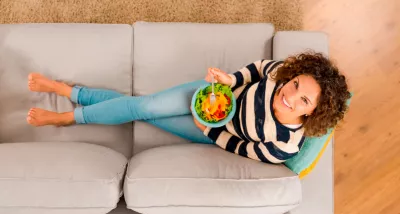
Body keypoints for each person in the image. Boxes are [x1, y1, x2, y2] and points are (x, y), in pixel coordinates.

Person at [26, 52, 351, 164]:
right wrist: (230, 78)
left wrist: (209, 130)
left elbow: (242, 148)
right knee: (144, 105)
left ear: (312, 113)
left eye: (303, 100)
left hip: (213, 130)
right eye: (295, 85)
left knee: (142, 110)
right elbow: (261, 67)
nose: (290, 95)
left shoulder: (285, 144)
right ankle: (67, 109)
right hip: (212, 96)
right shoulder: (282, 74)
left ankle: (69, 97)